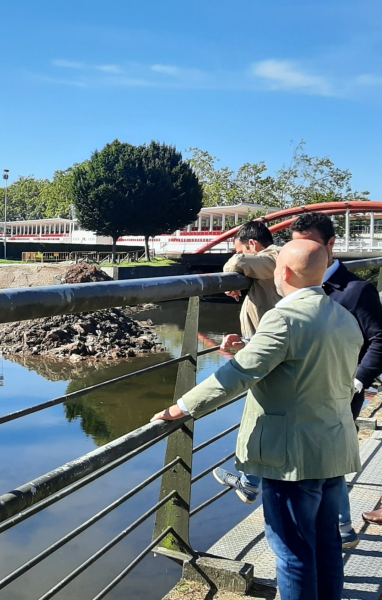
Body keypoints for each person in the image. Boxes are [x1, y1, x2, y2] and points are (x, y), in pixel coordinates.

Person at [152, 239, 363, 600]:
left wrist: (181, 408)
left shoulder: (283, 318)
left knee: (293, 553)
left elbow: (236, 377)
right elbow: (304, 363)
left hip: (290, 457)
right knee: (326, 546)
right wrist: (250, 346)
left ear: (282, 273)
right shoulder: (342, 316)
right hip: (332, 447)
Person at [289, 212, 382, 547]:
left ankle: (333, 531)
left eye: (312, 245)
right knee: (315, 464)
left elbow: (380, 339)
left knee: (323, 465)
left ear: (331, 245)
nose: (304, 255)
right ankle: (337, 530)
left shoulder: (356, 290)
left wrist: (356, 383)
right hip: (300, 393)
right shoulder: (292, 286)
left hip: (340, 394)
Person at [212, 222, 282, 504]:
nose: (237, 253)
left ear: (253, 245)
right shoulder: (269, 264)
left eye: (239, 245)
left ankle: (252, 483)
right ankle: (252, 480)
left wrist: (233, 269)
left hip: (272, 349)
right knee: (264, 414)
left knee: (263, 415)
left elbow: (239, 261)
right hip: (265, 346)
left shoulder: (276, 257)